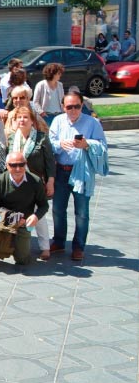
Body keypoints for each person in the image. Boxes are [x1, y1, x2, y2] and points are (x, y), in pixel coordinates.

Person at [48, 91, 108, 261]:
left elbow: (103, 146)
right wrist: (60, 144)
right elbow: (50, 143)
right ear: (63, 107)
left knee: (82, 212)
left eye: (76, 106)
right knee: (58, 209)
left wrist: (87, 144)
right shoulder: (58, 121)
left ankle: (78, 246)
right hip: (61, 171)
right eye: (69, 107)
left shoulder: (92, 123)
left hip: (82, 171)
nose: (73, 110)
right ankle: (59, 242)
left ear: (82, 105)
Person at [0, 151, 48, 266]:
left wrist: (36, 216)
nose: (18, 168)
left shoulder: (35, 181)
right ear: (7, 166)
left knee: (22, 261)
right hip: (2, 220)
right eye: (13, 165)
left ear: (26, 164)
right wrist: (10, 218)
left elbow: (44, 205)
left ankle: (14, 246)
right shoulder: (0, 181)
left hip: (22, 223)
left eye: (21, 164)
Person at [6, 105, 55, 260]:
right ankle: (15, 244)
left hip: (36, 182)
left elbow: (50, 162)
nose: (22, 120)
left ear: (32, 121)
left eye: (25, 117)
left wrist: (50, 182)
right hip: (16, 182)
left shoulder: (41, 137)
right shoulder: (12, 138)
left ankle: (45, 247)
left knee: (38, 215)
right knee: (16, 214)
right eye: (19, 117)